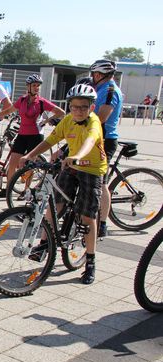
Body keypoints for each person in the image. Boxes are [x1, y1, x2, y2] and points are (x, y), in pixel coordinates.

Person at [19, 83, 106, 285]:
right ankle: (43, 244)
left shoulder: (94, 123)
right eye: (74, 106)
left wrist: (76, 156)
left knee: (87, 216)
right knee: (55, 203)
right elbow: (50, 140)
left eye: (83, 107)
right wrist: (30, 155)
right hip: (72, 165)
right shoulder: (67, 120)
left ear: (91, 108)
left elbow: (89, 143)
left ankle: (90, 261)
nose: (78, 110)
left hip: (92, 169)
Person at [0, 74, 65, 198]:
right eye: (34, 85)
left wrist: (47, 121)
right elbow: (9, 110)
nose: (37, 88)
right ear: (28, 86)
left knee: (30, 164)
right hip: (22, 135)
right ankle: (9, 190)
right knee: (13, 163)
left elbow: (61, 112)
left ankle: (26, 191)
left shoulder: (42, 102)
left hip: (36, 136)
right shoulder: (22, 100)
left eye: (38, 86)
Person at [89, 59, 123, 238]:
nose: (92, 77)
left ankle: (102, 223)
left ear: (101, 75)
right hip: (91, 138)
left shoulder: (110, 91)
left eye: (94, 74)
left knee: (101, 183)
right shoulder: (99, 89)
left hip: (105, 140)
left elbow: (101, 117)